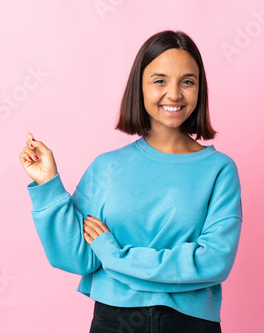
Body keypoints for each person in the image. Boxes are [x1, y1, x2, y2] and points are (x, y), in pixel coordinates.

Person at [19, 30, 243, 333]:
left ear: (200, 90)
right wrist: (48, 185)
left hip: (189, 324)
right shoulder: (107, 167)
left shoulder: (219, 170)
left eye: (187, 81)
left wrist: (114, 255)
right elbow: (77, 258)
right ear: (140, 87)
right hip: (114, 322)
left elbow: (214, 261)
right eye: (160, 80)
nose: (174, 94)